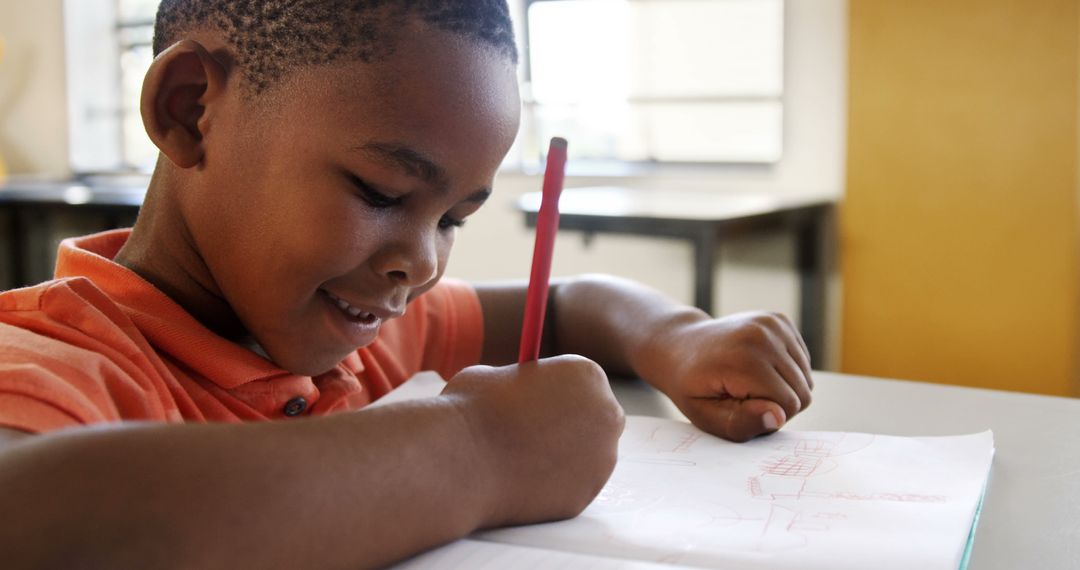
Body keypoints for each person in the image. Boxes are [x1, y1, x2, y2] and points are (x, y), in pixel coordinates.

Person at [0, 1, 813, 567]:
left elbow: (570, 305)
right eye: (381, 193)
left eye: (453, 217)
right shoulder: (54, 364)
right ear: (190, 110)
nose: (422, 263)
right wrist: (479, 451)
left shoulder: (353, 337)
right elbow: (37, 524)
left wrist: (675, 335)